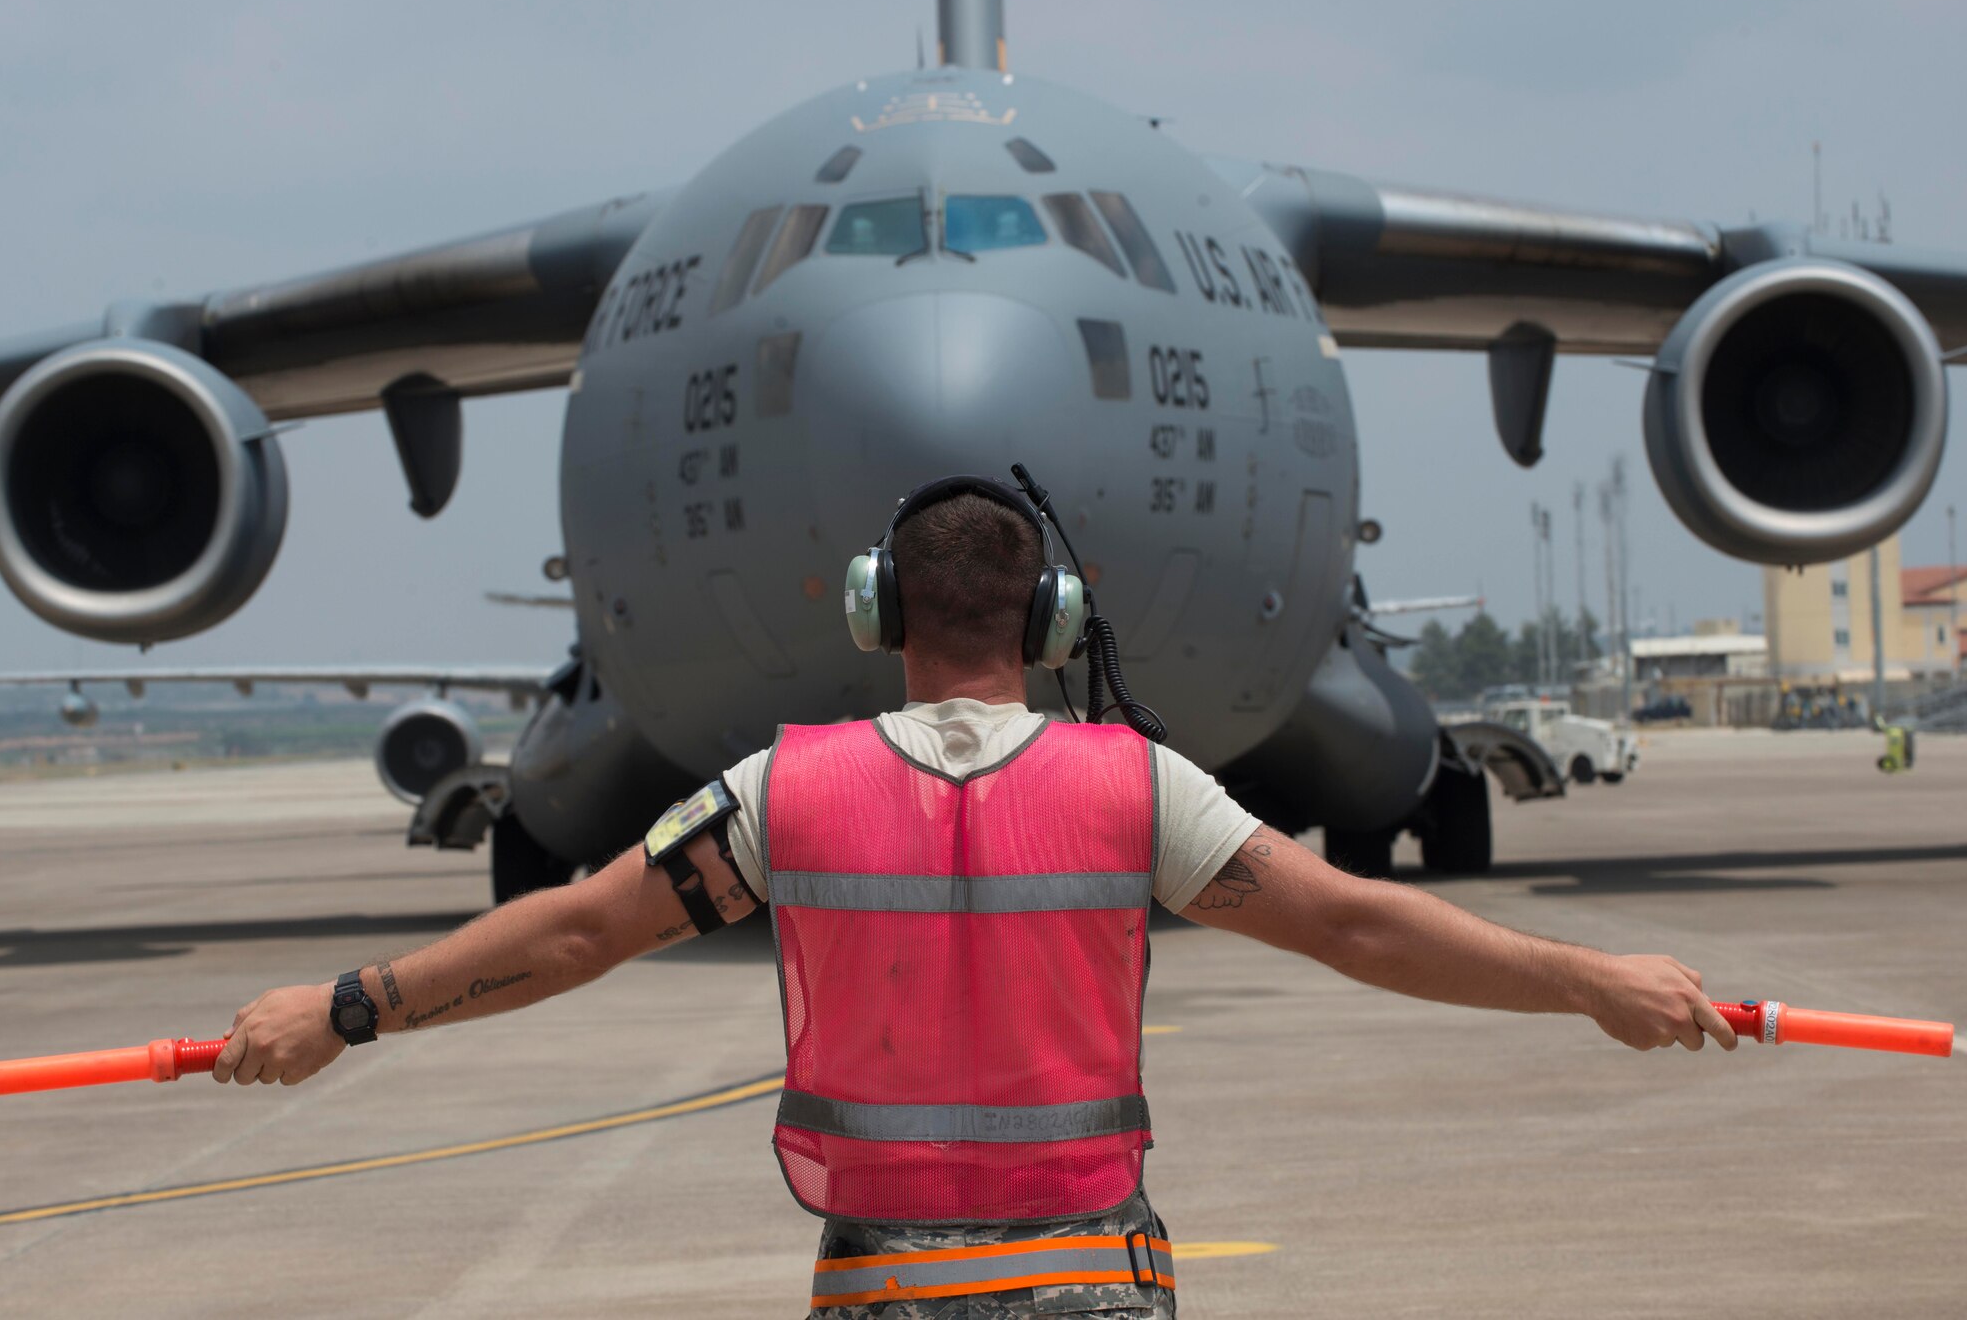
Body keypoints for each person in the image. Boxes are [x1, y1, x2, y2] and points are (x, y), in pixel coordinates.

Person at [217, 475, 1736, 1318]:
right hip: (1094, 1284)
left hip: (883, 1294)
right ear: (1054, 620)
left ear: (880, 614)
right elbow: (1354, 919)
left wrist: (347, 1010)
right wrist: (1588, 978)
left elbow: (571, 930)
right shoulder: (1136, 787)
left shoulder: (783, 794)